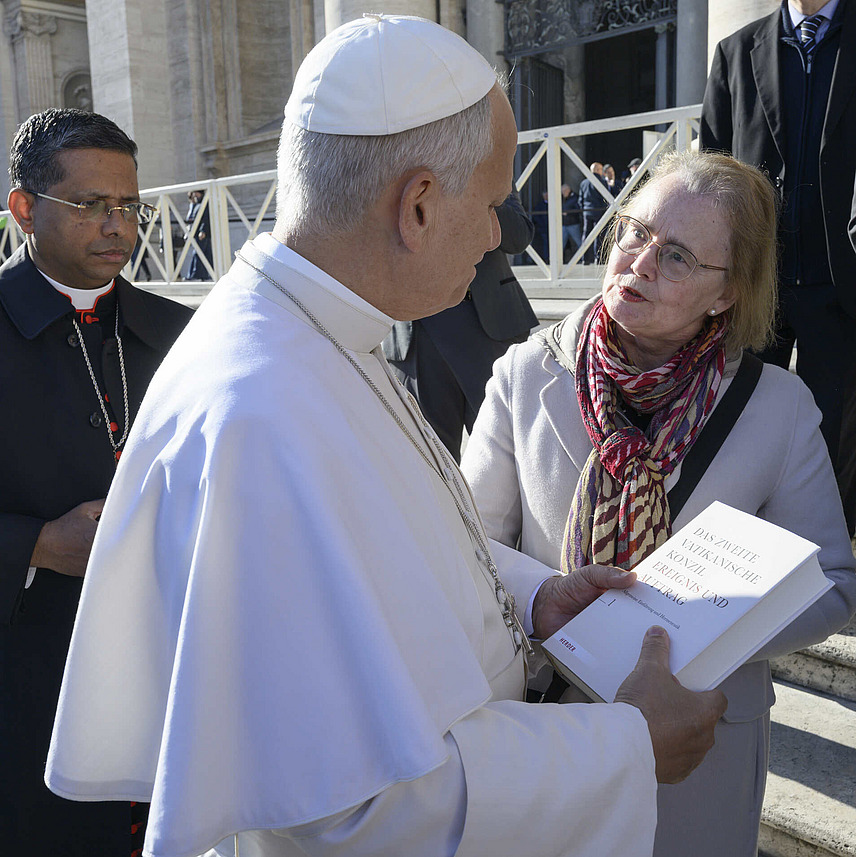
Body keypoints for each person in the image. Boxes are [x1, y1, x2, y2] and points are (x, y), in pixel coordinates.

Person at [46, 17, 726, 857]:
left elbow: (398, 543)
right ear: (417, 204)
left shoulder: (312, 329)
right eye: (489, 205)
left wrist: (530, 596)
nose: (493, 235)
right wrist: (630, 746)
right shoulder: (265, 412)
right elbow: (359, 814)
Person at [461, 151, 856, 857]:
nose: (638, 262)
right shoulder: (526, 373)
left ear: (726, 292)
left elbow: (834, 581)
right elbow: (463, 543)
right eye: (635, 233)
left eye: (675, 255)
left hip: (702, 742)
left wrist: (707, 621)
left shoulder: (779, 407)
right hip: (550, 729)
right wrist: (545, 596)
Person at [0, 108, 192, 857]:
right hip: (29, 671)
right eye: (89, 206)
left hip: (163, 657)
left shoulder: (178, 332)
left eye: (128, 206)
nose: (116, 225)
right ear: (24, 207)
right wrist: (40, 544)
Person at [700, 0, 856, 535]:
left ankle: (826, 560)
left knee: (834, 432)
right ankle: (743, 550)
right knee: (741, 421)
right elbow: (711, 170)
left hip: (842, 281)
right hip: (754, 278)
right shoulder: (736, 51)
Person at [383, 191, 537, 461]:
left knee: (510, 458)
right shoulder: (382, 155)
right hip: (416, 334)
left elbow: (518, 236)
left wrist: (475, 185)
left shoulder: (482, 154)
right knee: (428, 466)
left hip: (487, 325)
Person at [579, 161, 610, 264]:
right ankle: (598, 258)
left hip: (587, 212)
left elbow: (580, 200)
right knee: (599, 235)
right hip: (598, 211)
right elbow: (605, 198)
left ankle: (585, 259)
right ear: (597, 170)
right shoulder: (602, 182)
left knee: (586, 235)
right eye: (601, 170)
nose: (602, 172)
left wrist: (583, 209)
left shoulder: (583, 183)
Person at [185, 188, 212, 280]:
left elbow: (205, 218)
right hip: (197, 233)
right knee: (204, 254)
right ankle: (203, 275)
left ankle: (193, 275)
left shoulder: (204, 203)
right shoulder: (196, 204)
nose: (194, 196)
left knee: (198, 253)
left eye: (195, 193)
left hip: (202, 233)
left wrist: (203, 231)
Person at [561, 182, 582, 258]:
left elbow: (578, 209)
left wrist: (568, 213)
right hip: (564, 224)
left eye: (564, 191)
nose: (563, 193)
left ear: (568, 190)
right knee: (561, 244)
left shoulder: (575, 197)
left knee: (579, 242)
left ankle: (583, 258)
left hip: (573, 224)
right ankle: (559, 259)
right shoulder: (562, 198)